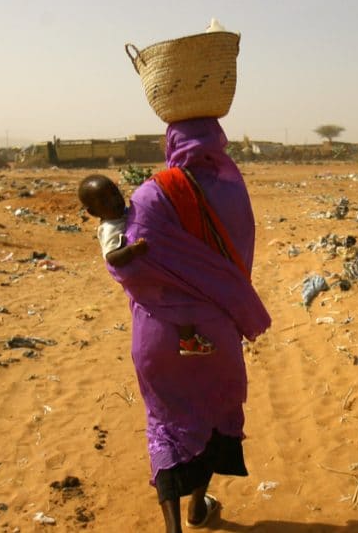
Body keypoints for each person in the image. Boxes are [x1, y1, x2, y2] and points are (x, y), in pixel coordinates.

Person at [106, 117, 271, 532]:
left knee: (165, 419)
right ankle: (199, 506)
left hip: (160, 332)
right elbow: (240, 258)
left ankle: (174, 527)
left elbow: (129, 267)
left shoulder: (151, 194)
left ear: (172, 142)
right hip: (214, 328)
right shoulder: (234, 192)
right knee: (213, 410)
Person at [79, 173, 216, 356]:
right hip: (145, 278)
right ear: (93, 212)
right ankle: (188, 342)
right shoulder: (109, 228)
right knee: (179, 301)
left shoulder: (124, 214)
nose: (114, 201)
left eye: (115, 194)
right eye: (104, 201)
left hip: (153, 272)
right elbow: (112, 257)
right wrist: (133, 250)